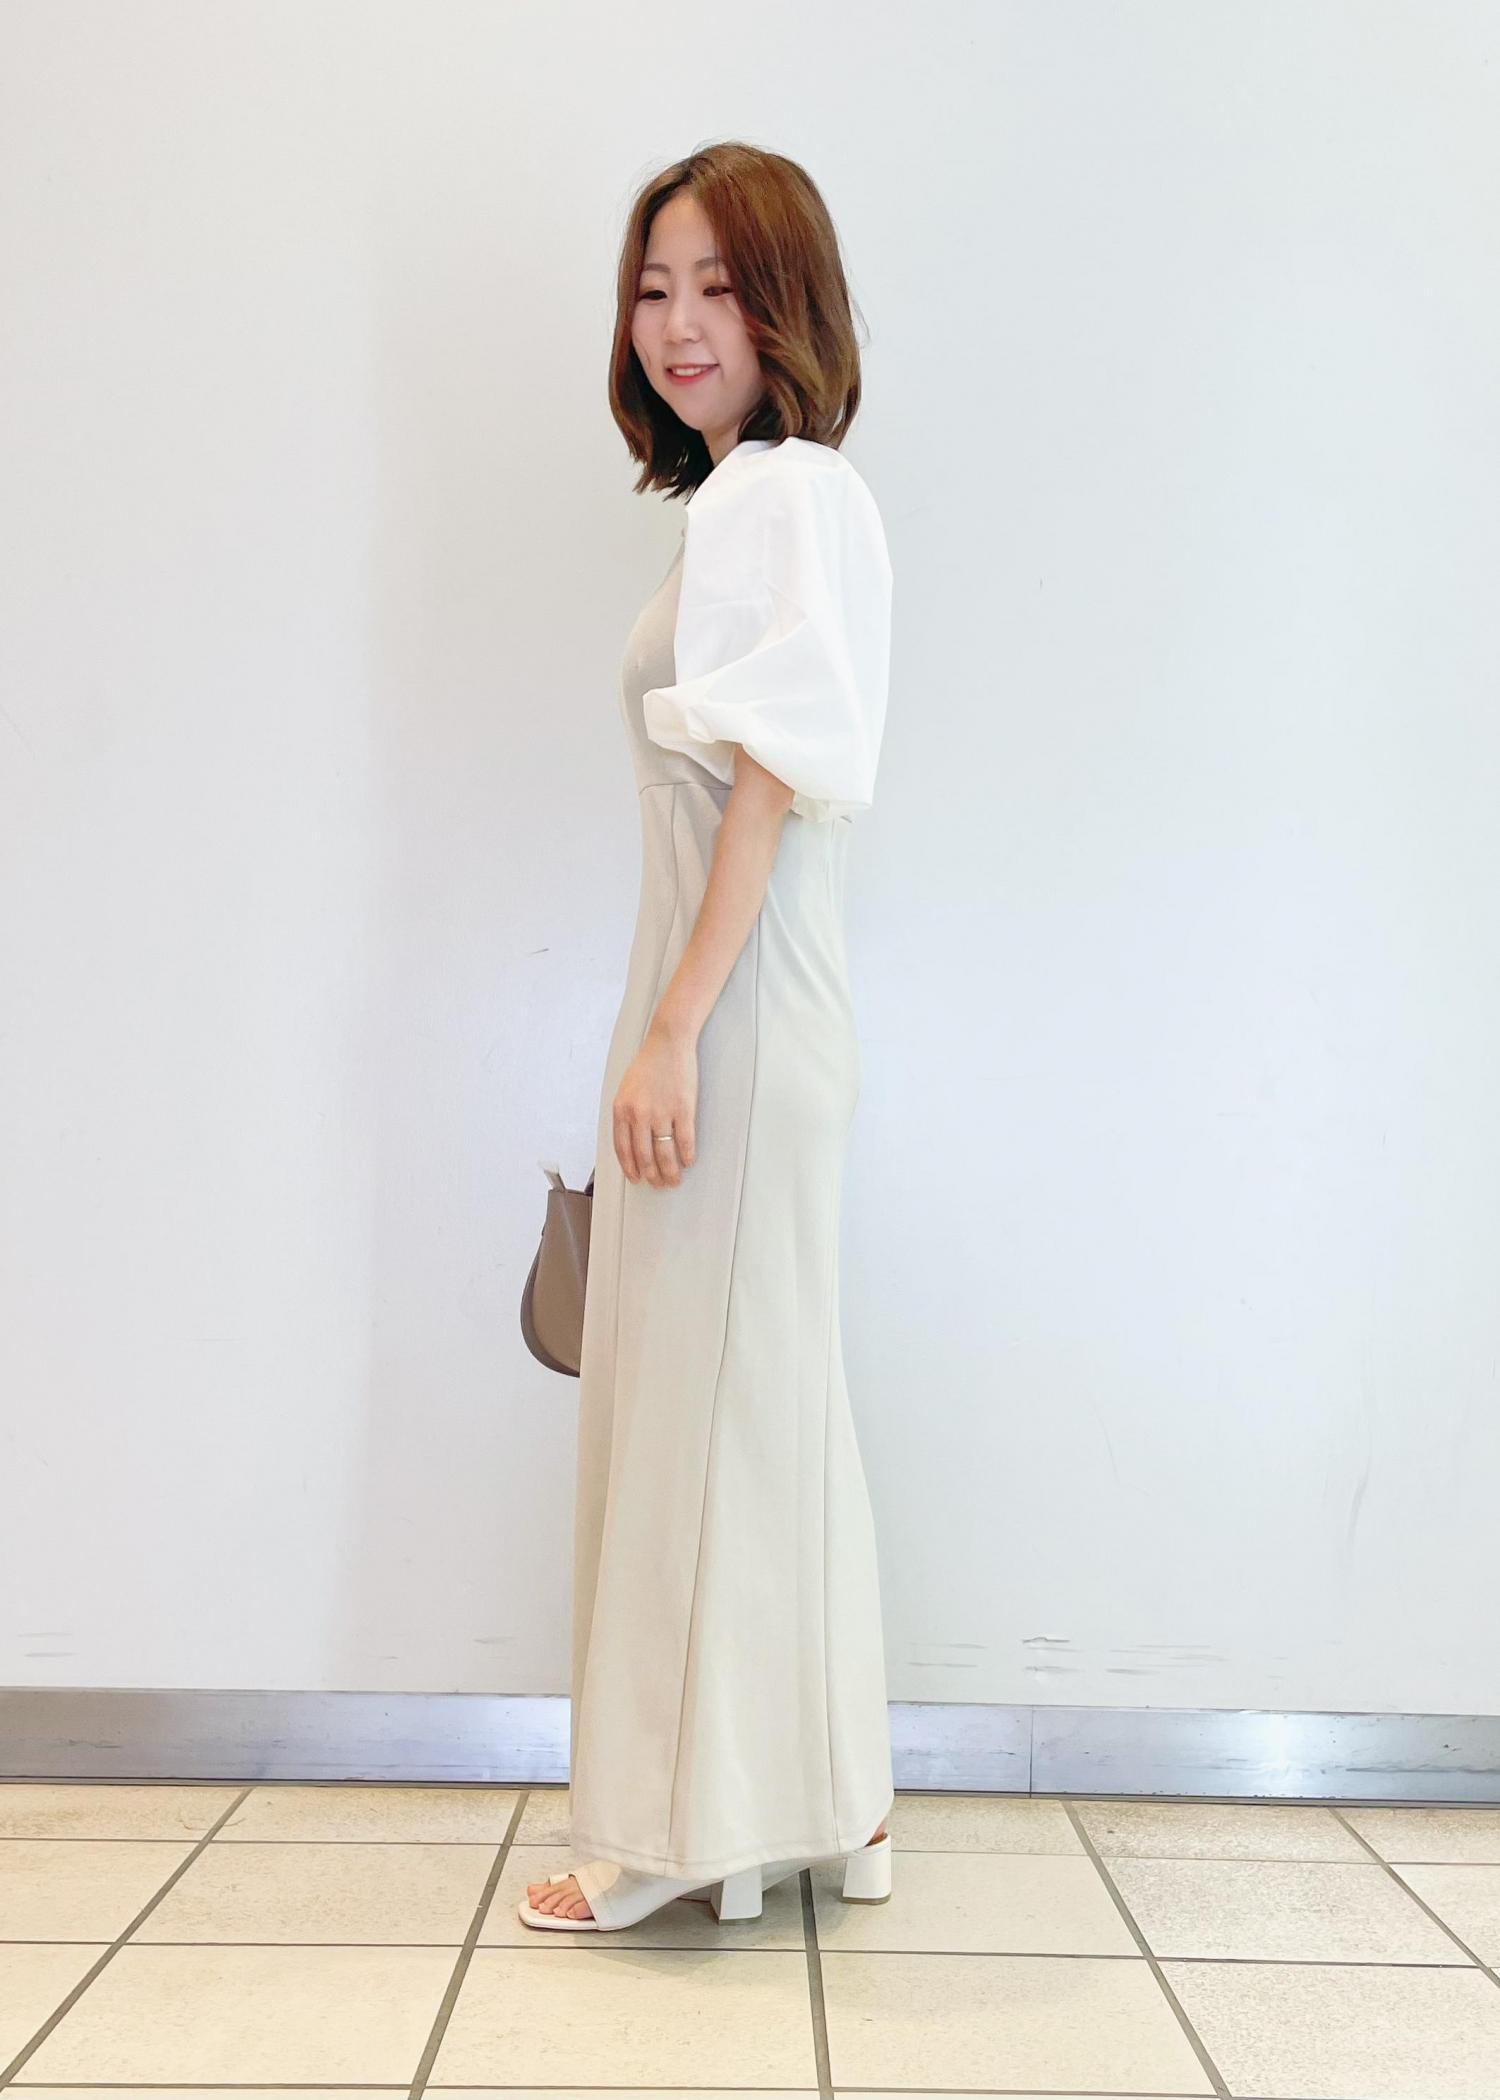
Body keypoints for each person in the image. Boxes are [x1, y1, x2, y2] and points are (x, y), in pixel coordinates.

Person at [521, 143, 895, 1933]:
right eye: (653, 288)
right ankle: (828, 1805)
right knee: (770, 1411)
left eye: (718, 287)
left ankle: (670, 1839)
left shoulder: (772, 495)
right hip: (762, 1001)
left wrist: (669, 1031)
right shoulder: (796, 497)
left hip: (723, 1007)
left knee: (697, 1414)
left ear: (784, 302)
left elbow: (762, 781)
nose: (677, 324)